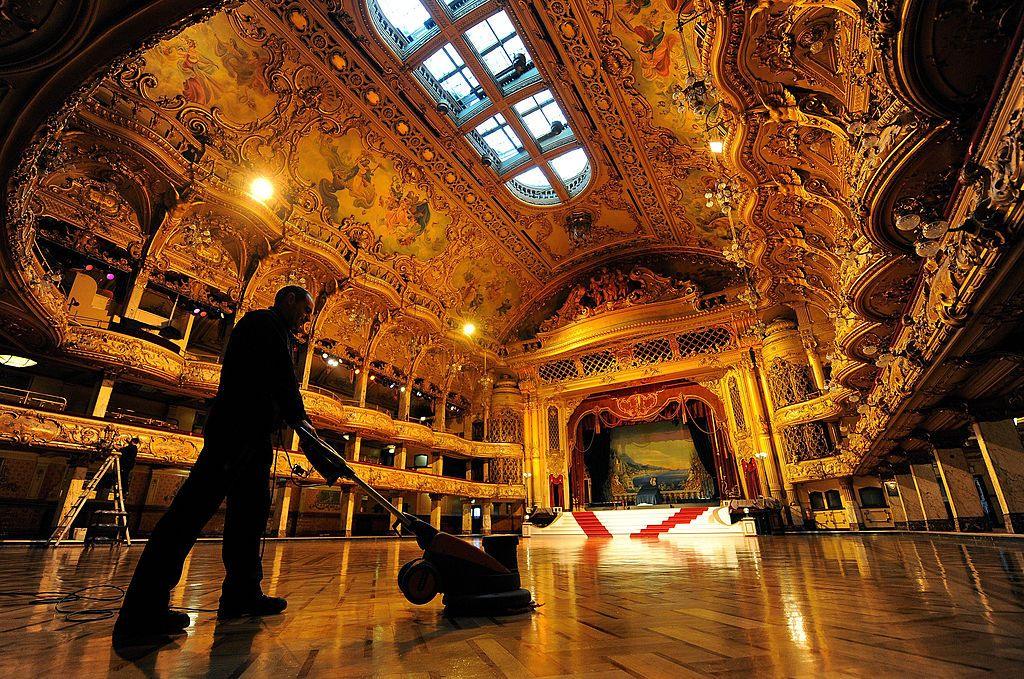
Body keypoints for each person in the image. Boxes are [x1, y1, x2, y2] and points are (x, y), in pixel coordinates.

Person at [114, 285, 317, 640]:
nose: (306, 319)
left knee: (249, 519)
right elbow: (282, 379)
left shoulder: (278, 331)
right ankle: (142, 611)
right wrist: (301, 421)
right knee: (188, 515)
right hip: (235, 434)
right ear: (287, 299)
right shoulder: (263, 324)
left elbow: (278, 382)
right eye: (305, 309)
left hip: (254, 438)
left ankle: (241, 595)